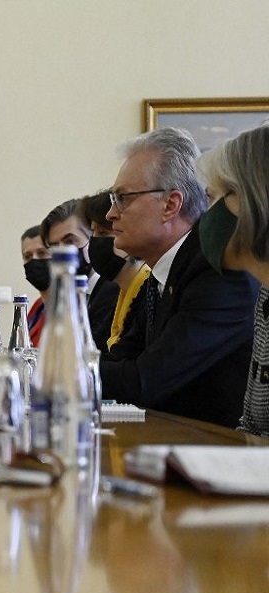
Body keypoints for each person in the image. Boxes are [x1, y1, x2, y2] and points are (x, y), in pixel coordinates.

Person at [100, 127, 258, 427]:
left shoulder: (220, 271)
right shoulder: (162, 273)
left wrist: (54, 371)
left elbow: (144, 381)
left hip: (222, 449)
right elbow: (121, 358)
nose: (110, 214)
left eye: (122, 198)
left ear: (171, 205)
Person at [195, 127, 269, 436]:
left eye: (212, 198)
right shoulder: (264, 296)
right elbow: (251, 426)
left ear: (249, 199)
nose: (206, 215)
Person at [40, 198, 120, 351]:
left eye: (70, 241)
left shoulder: (112, 289)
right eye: (55, 246)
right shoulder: (66, 296)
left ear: (92, 237)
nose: (63, 251)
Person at [79, 189, 151, 349]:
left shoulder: (147, 291)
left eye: (103, 232)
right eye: (93, 233)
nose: (95, 242)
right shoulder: (122, 290)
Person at [20, 225, 50, 346]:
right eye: (28, 256)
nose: (34, 260)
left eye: (41, 253)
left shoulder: (67, 307)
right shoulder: (38, 305)